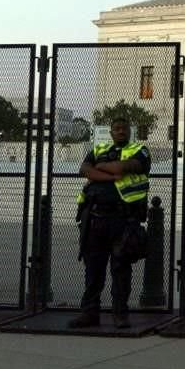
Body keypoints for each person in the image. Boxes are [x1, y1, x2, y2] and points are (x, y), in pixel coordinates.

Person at [68, 118, 151, 329]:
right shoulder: (99, 148)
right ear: (111, 132)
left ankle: (120, 314)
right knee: (93, 270)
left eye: (124, 129)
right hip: (95, 218)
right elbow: (85, 169)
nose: (121, 132)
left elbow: (126, 166)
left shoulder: (140, 150)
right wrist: (111, 176)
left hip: (122, 219)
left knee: (121, 269)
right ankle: (89, 312)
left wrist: (103, 167)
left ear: (129, 131)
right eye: (117, 129)